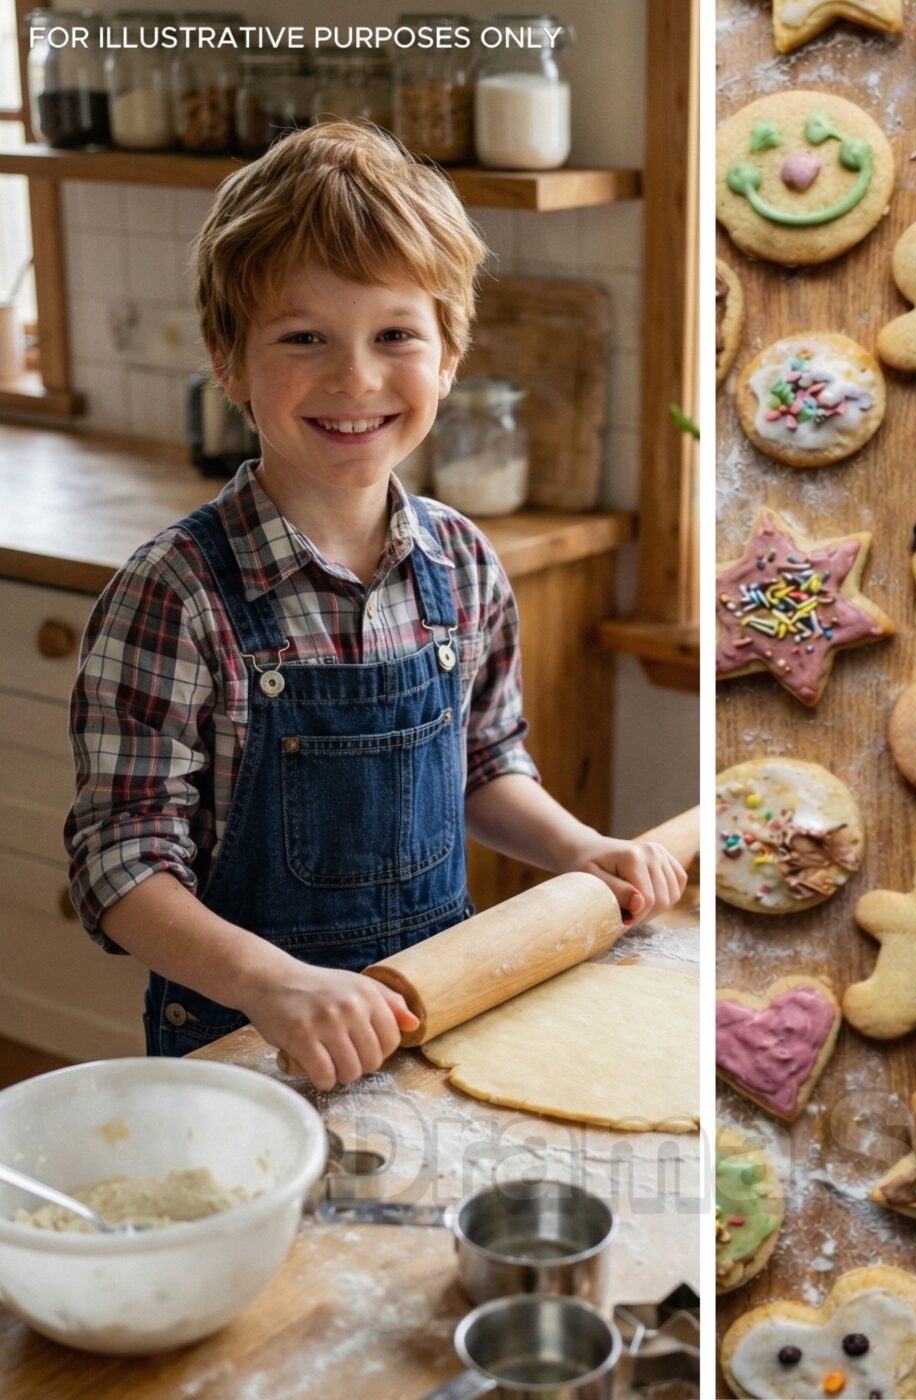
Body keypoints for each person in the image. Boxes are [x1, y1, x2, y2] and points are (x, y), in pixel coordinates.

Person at [65, 121, 687, 1090]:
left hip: (432, 1014)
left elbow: (483, 759)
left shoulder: (463, 562)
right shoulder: (175, 594)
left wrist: (578, 846)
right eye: (303, 336)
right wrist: (274, 983)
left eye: (394, 334)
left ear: (447, 357)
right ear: (228, 361)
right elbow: (118, 863)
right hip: (245, 1046)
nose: (354, 376)